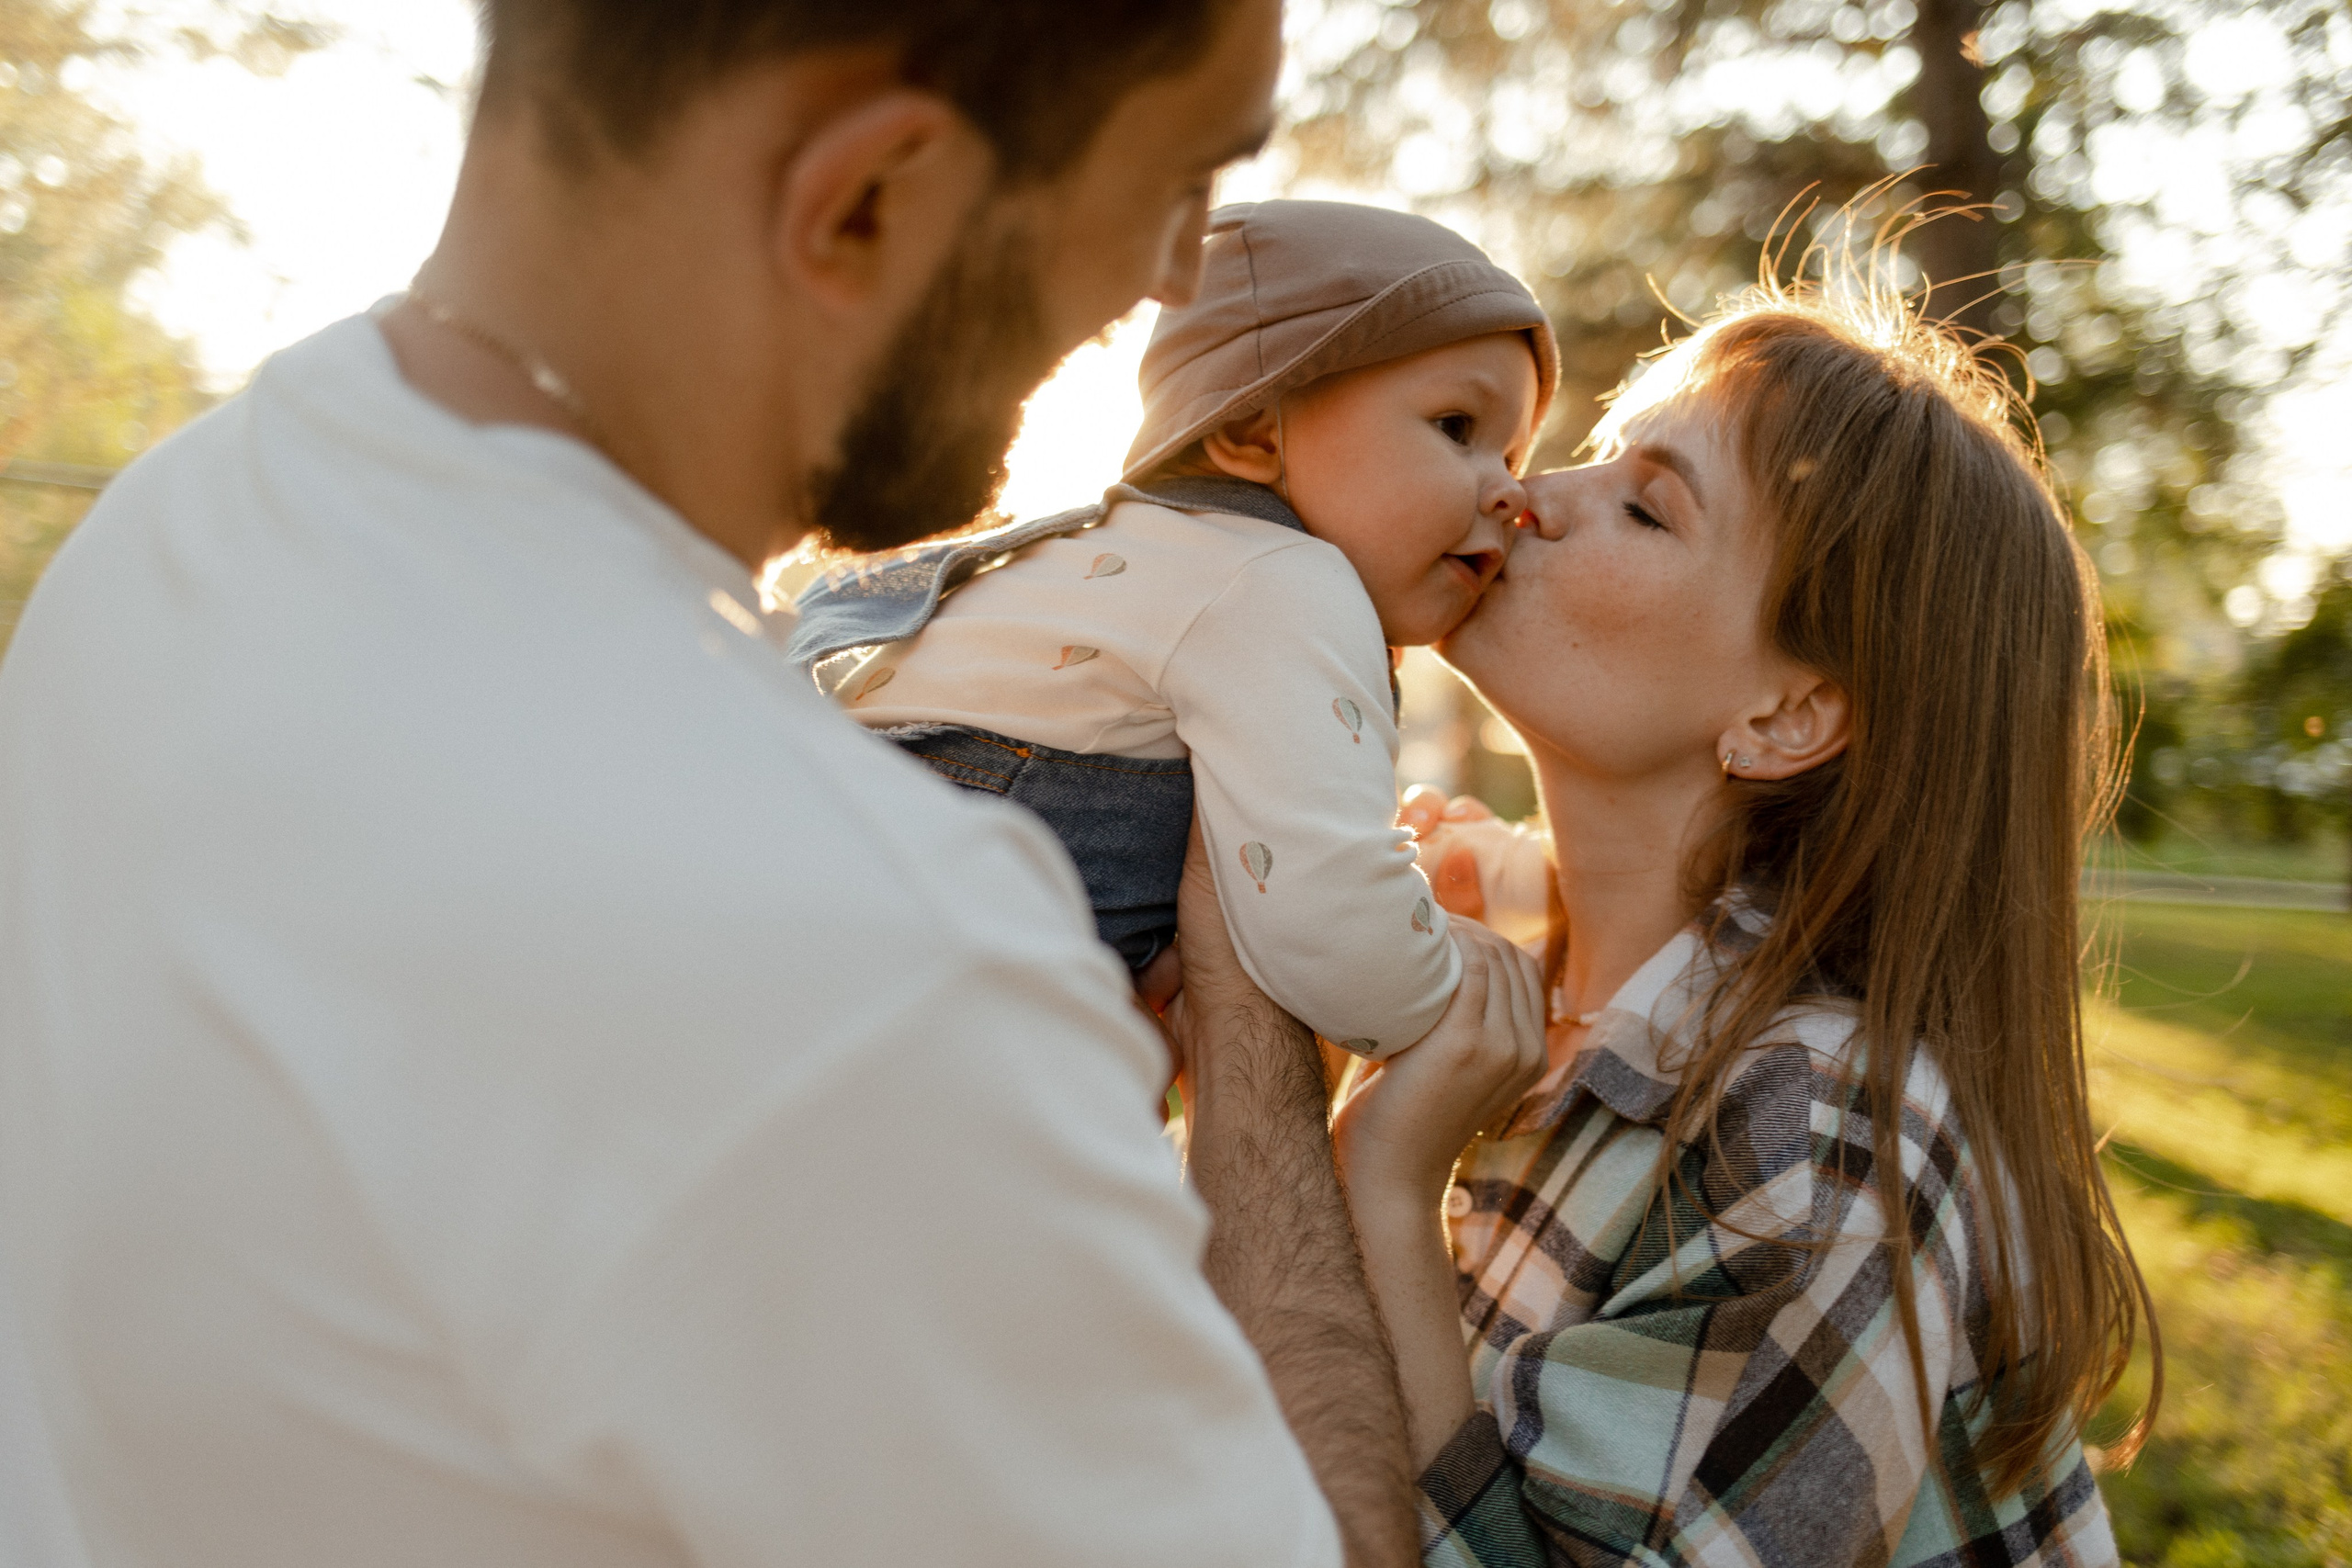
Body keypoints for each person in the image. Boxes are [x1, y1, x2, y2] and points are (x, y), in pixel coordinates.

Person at [0, 3, 1452, 1562]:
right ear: (866, 199)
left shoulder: (174, 528)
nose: (1172, 278)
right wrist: (1252, 1041)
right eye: (1179, 186)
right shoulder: (871, 967)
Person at [1339, 275, 2159, 1564]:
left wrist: (1382, 1187)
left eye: (1645, 506)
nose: (1522, 491)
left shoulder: (1818, 1143)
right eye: (1598, 451)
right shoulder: (1519, 968)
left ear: (1785, 716)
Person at [792, 199, 1558, 1060]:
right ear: (1250, 429)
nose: (1511, 491)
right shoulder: (1281, 578)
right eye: (1458, 428)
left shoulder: (1107, 561)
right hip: (892, 992)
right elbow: (1342, 945)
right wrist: (1460, 982)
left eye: (1514, 456)